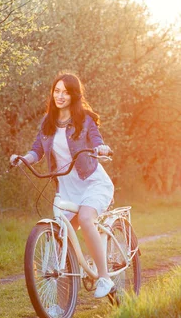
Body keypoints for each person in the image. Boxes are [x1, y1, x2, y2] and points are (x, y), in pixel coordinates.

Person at [10, 72, 115, 298]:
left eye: (66, 92)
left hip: (92, 182)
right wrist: (23, 158)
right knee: (59, 240)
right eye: (57, 91)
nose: (60, 96)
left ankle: (105, 278)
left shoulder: (84, 120)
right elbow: (36, 150)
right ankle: (58, 305)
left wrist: (102, 148)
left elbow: (97, 140)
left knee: (87, 219)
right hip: (66, 189)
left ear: (74, 95)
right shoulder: (47, 123)